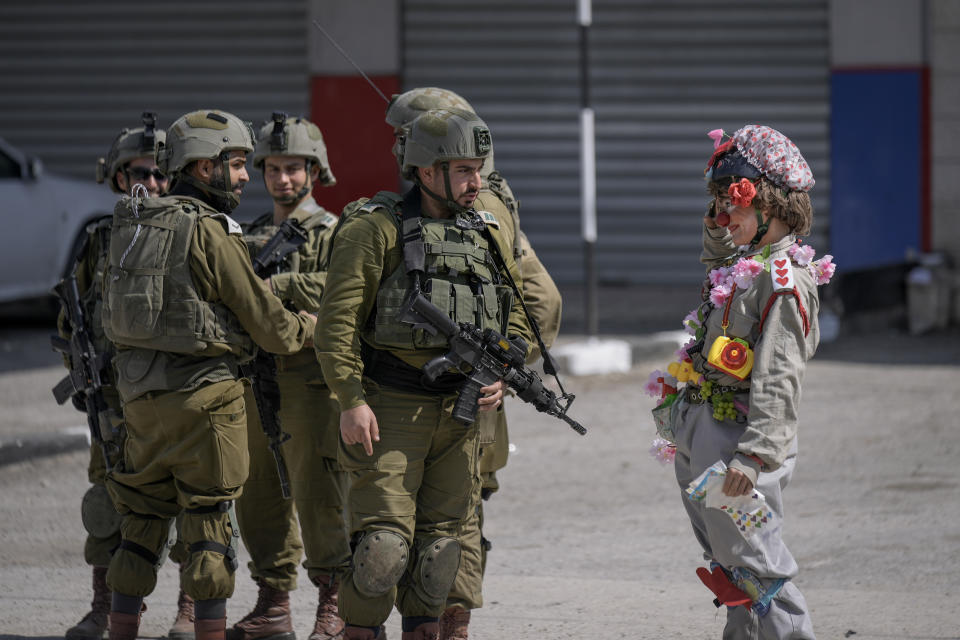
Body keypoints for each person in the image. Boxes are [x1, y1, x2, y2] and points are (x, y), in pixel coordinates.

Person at [315, 108, 534, 640]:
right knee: (383, 550)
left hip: (459, 418)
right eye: (463, 170)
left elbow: (517, 311)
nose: (476, 182)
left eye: (478, 169)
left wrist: (502, 368)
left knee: (440, 553)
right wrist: (350, 399)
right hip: (389, 408)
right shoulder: (375, 228)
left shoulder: (488, 228)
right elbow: (335, 326)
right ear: (426, 171)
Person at [101, 109, 316, 640]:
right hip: (206, 402)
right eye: (238, 163)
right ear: (202, 167)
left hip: (140, 402)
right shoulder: (210, 230)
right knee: (209, 531)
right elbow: (269, 327)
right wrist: (310, 326)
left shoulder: (132, 221)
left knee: (139, 525)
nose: (247, 176)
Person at [384, 88, 562, 640]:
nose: (396, 147)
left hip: (458, 396)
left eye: (401, 136)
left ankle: (442, 625)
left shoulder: (476, 210)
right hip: (476, 390)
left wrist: (498, 367)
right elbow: (542, 303)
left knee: (442, 522)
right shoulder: (492, 198)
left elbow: (542, 303)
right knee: (458, 519)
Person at [652, 125, 834, 639]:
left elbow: (779, 377)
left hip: (739, 440)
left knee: (755, 561)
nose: (722, 217)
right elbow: (716, 250)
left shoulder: (783, 280)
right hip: (706, 433)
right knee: (727, 560)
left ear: (773, 207)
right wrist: (719, 214)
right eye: (716, 205)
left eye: (733, 203)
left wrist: (753, 456)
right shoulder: (744, 263)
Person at [62, 113, 195, 640]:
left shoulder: (190, 233)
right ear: (119, 177)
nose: (153, 184)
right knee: (108, 505)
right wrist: (81, 370)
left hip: (175, 395)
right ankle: (110, 607)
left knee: (194, 502)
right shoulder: (98, 240)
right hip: (114, 399)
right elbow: (71, 316)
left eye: (162, 173)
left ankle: (191, 607)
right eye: (141, 173)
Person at [228, 113, 348, 640]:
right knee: (256, 494)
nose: (283, 179)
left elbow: (345, 290)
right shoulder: (247, 235)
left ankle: (334, 604)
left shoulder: (337, 232)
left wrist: (280, 288)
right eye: (273, 168)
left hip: (310, 384)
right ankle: (274, 604)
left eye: (294, 168)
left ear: (314, 170)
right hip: (255, 379)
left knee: (318, 493)